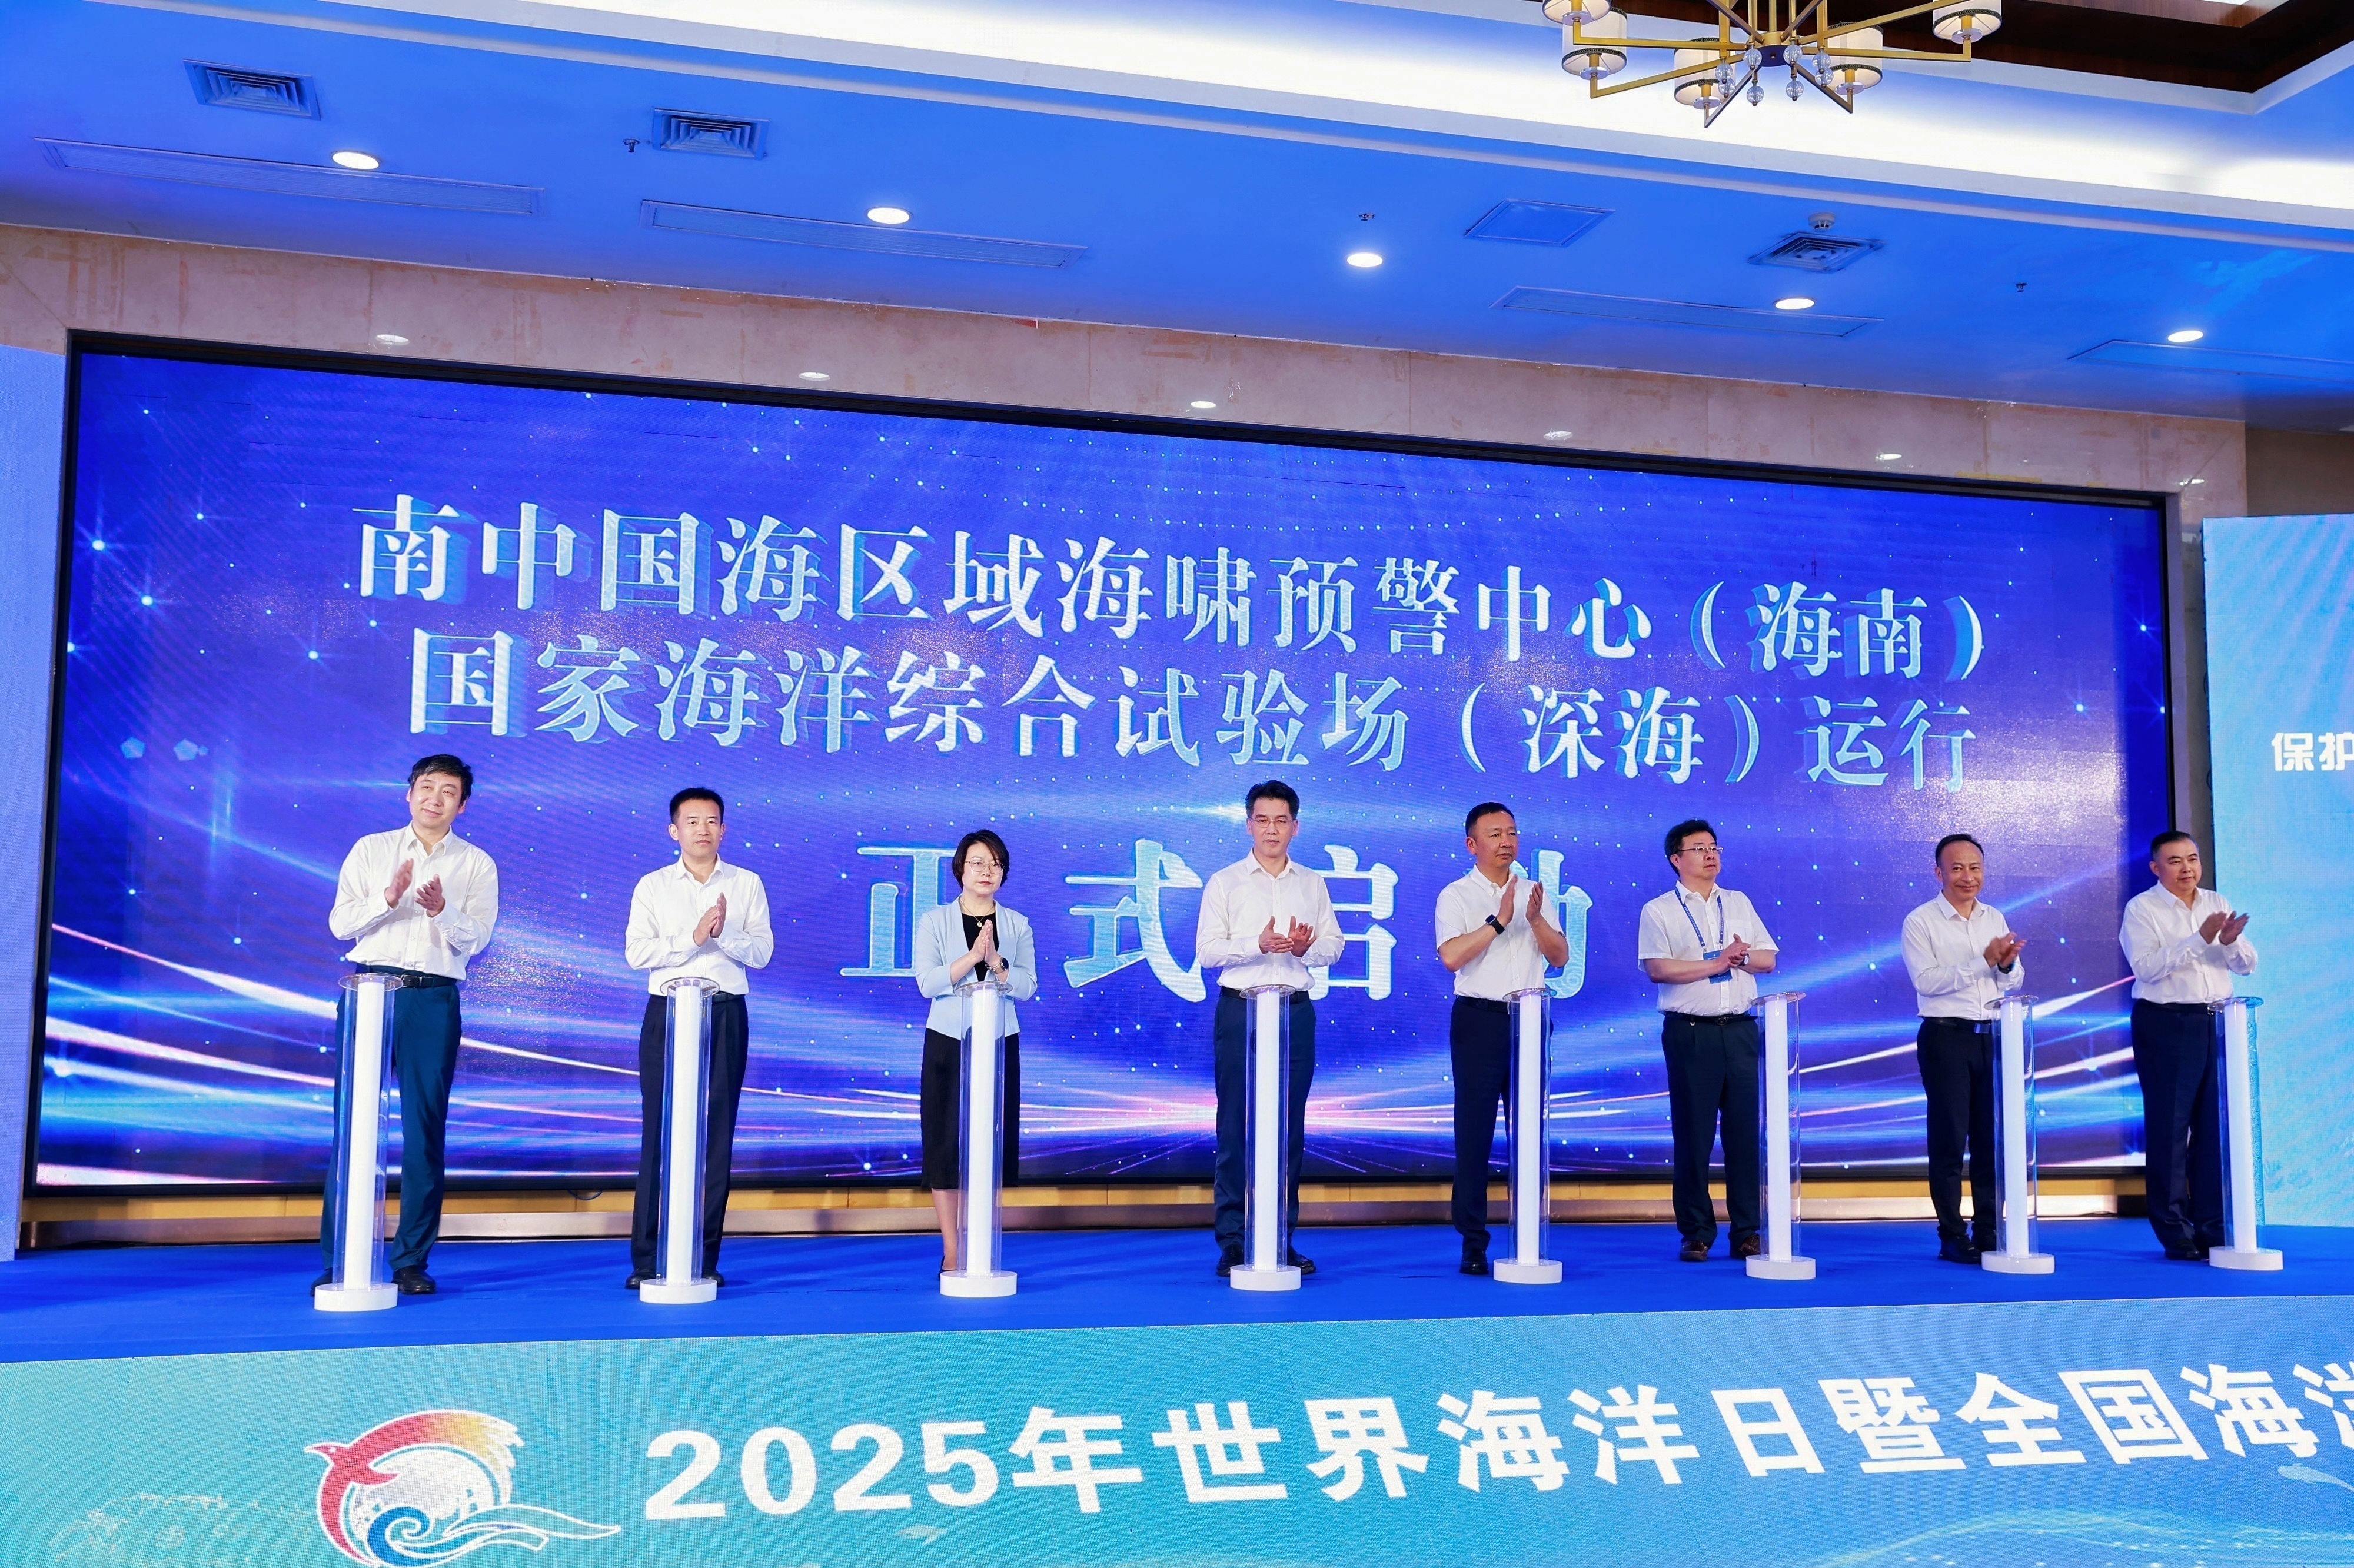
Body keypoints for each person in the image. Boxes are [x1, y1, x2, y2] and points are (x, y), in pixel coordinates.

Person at [318, 754, 498, 1296]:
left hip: (432, 998)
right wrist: (388, 898)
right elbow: (340, 923)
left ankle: (411, 1259)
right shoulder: (371, 849)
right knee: (354, 1126)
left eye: (448, 791)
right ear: (409, 793)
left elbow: (478, 939)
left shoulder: (476, 863)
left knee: (424, 1128)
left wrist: (442, 910)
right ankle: (341, 1255)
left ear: (462, 805)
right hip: (370, 991)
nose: (434, 798)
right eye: (426, 787)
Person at [623, 788, 774, 1289]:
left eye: (711, 821)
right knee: (659, 1133)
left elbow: (762, 953)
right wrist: (692, 938)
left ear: (724, 830)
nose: (702, 830)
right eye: (692, 821)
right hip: (668, 1013)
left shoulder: (746, 883)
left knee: (716, 1134)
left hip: (725, 1011)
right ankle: (648, 1257)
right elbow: (637, 953)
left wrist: (722, 933)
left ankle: (703, 1254)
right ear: (675, 830)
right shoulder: (653, 885)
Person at [1195, 780, 1342, 1278]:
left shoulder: (1312, 883)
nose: (1272, 830)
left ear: (1295, 827)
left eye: (1281, 821)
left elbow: (1335, 944)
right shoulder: (1225, 882)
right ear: (1248, 825)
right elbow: (1207, 952)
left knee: (1288, 1127)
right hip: (1241, 1010)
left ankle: (1281, 1235)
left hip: (1293, 1011)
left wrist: (1305, 949)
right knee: (1234, 1126)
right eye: (1263, 820)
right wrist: (1255, 944)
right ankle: (1234, 1239)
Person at [1636, 818, 1779, 1263]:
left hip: (1740, 1029)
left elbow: (1768, 959)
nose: (1710, 854)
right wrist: (1718, 962)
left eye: (1714, 846)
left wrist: (1739, 957)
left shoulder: (1737, 902)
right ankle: (1696, 1231)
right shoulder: (1658, 910)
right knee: (1694, 1136)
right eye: (1699, 848)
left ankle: (1747, 1231)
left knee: (1744, 1136)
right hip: (1691, 1032)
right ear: (1676, 859)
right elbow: (1658, 969)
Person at [1435, 801, 1569, 1276]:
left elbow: (1560, 956)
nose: (1506, 842)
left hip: (1529, 1019)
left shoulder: (1535, 891)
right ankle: (1473, 1242)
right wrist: (1499, 920)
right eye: (1495, 834)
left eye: (1511, 832)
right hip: (1478, 1019)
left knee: (1528, 1131)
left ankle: (1529, 1233)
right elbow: (1452, 957)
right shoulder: (1456, 894)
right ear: (1472, 844)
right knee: (1474, 1135)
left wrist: (1534, 920)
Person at [2120, 830, 2256, 1261]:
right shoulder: (2142, 909)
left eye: (2192, 859)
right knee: (2171, 1127)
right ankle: (2174, 1229)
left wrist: (2229, 941)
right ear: (2155, 867)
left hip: (2216, 1021)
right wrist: (2199, 938)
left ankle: (2212, 1225)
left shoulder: (2216, 901)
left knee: (2214, 1128)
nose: (2187, 869)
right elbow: (2147, 968)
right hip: (2166, 1023)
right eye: (2175, 861)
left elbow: (2247, 965)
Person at [913, 829, 1037, 1273]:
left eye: (995, 864)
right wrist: (972, 956)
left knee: (990, 1141)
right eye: (978, 863)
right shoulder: (934, 920)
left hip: (999, 1040)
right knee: (945, 1144)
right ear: (960, 869)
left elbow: (1027, 986)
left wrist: (997, 962)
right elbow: (927, 982)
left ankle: (982, 1240)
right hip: (948, 1039)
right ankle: (952, 1247)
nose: (987, 871)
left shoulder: (1017, 924)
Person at [1899, 833, 2026, 1264]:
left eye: (1975, 868)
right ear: (1939, 873)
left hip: (1992, 1035)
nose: (1968, 876)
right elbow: (1927, 982)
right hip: (1946, 1037)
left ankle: (1989, 1227)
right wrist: (1983, 962)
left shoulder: (1995, 917)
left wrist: (2006, 964)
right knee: (1950, 1140)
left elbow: (2013, 980)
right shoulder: (1921, 921)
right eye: (1957, 868)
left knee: (1990, 1139)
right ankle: (1952, 1234)